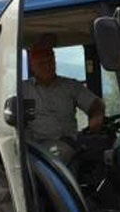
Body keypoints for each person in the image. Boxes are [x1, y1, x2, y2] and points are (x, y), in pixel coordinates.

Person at [21, 36, 105, 164]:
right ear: (32, 66)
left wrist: (96, 117)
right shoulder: (24, 90)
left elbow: (95, 103)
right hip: (33, 145)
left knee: (55, 157)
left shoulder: (70, 86)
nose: (47, 66)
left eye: (50, 61)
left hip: (64, 142)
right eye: (41, 63)